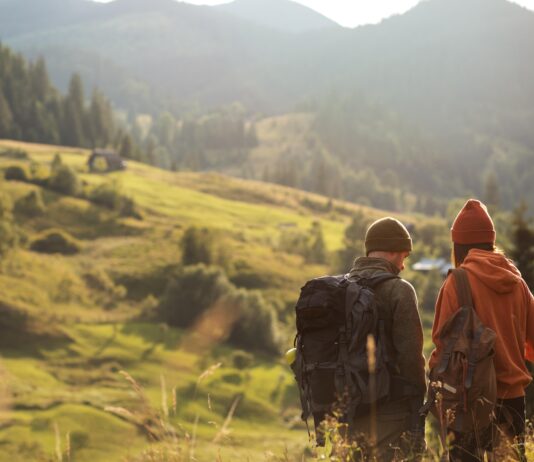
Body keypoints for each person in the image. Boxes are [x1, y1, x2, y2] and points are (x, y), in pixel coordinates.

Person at [429, 199, 534, 461]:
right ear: (491, 241)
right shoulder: (517, 282)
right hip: (512, 401)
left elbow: (443, 347)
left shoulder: (457, 282)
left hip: (468, 402)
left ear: (458, 244)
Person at [349, 217, 426, 460]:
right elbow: (411, 356)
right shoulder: (399, 290)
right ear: (393, 252)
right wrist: (418, 406)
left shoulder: (342, 288)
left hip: (345, 411)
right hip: (390, 412)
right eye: (403, 256)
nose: (403, 265)